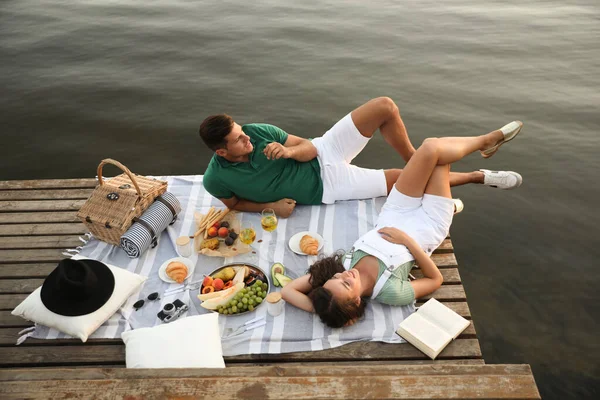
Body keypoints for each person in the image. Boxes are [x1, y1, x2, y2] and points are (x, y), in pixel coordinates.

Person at [281, 121, 524, 328]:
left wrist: (323, 307)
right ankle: (480, 165)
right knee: (437, 158)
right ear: (355, 302)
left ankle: (481, 157)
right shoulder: (390, 293)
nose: (345, 273)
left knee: (430, 148)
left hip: (396, 210)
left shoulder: (341, 268)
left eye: (336, 276)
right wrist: (408, 242)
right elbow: (435, 280)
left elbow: (287, 292)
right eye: (346, 283)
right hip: (427, 224)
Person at [198, 98, 522, 217]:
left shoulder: (258, 132)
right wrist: (271, 207)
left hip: (326, 149)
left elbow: (309, 145)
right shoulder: (216, 179)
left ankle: (417, 159)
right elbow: (234, 205)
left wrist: (289, 150)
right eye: (238, 140)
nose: (246, 137)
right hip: (328, 186)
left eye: (242, 130)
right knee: (403, 181)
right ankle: (478, 176)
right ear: (221, 152)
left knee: (384, 107)